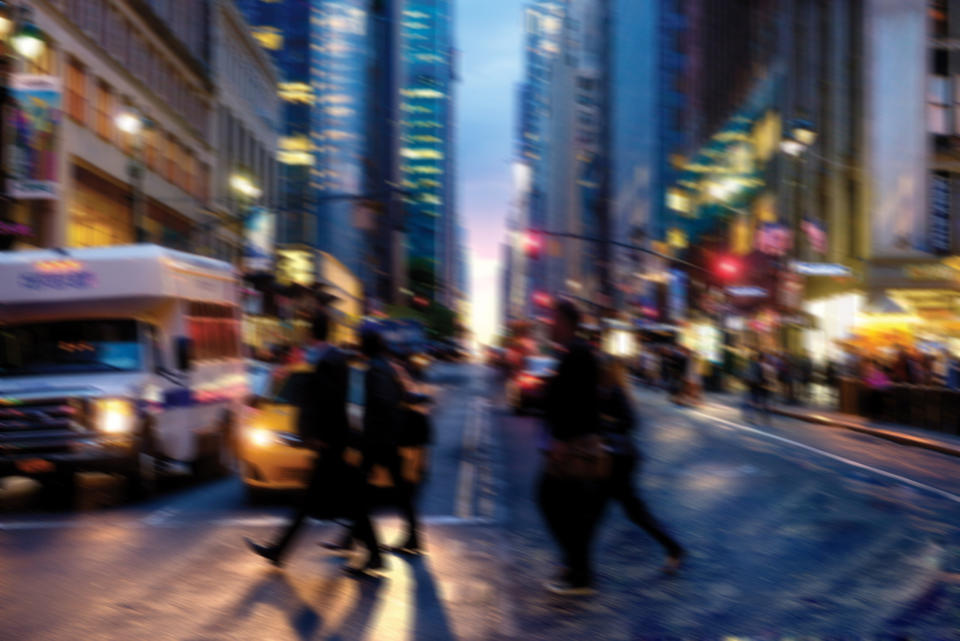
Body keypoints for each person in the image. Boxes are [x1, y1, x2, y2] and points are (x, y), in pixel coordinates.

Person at [245, 312, 383, 575]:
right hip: (334, 441)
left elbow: (326, 404)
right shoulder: (337, 359)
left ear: (311, 335)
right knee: (321, 501)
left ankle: (279, 551)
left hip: (329, 443)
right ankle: (278, 551)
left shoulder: (324, 363)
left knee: (334, 501)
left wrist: (318, 437)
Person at [538, 299, 608, 596]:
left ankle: (579, 575)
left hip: (574, 446)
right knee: (563, 506)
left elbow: (576, 403)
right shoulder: (573, 352)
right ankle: (576, 567)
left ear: (565, 322)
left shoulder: (577, 354)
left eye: (552, 319)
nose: (548, 324)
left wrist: (562, 441)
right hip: (573, 443)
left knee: (556, 502)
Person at [598, 356, 685, 573]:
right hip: (616, 459)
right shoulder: (608, 390)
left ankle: (674, 548)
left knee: (611, 512)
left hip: (618, 460)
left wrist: (603, 422)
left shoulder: (614, 391)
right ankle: (673, 548)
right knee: (628, 512)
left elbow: (629, 423)